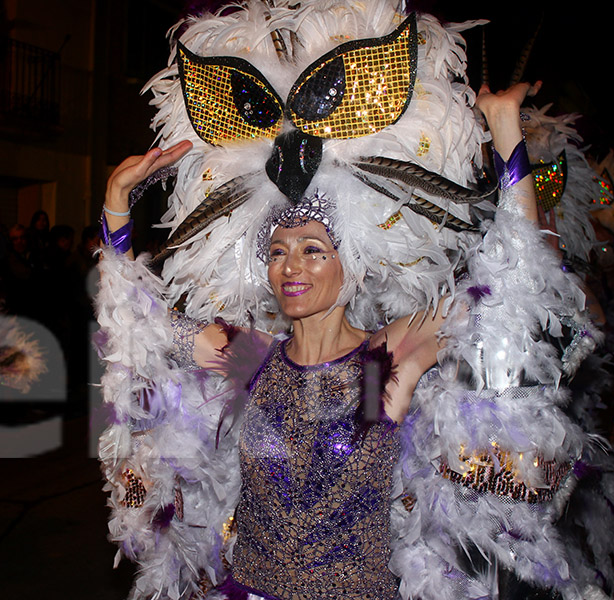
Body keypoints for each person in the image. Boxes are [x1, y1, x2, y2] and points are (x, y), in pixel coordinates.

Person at [101, 72, 548, 597]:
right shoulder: (251, 358)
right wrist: (116, 200)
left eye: (313, 248)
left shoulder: (388, 356)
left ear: (351, 262)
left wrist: (503, 129)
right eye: (277, 251)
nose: (291, 266)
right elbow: (137, 326)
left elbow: (512, 289)